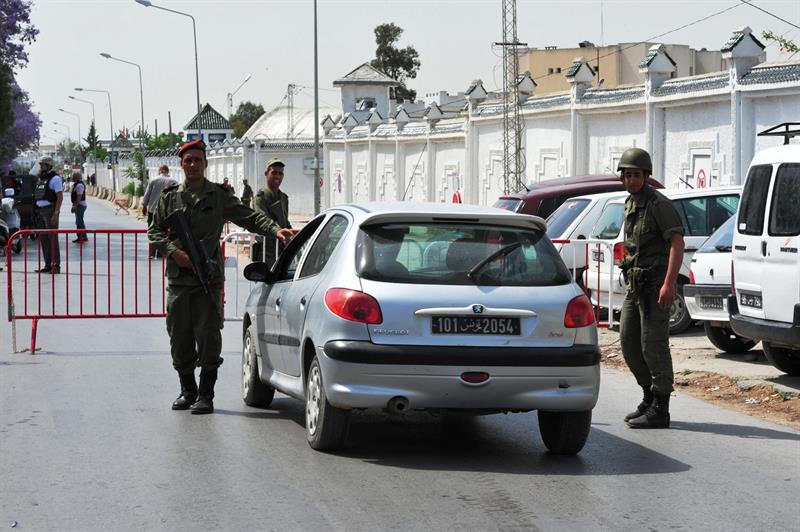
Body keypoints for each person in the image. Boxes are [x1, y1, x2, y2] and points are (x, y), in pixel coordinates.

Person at [148, 140, 295, 415]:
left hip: (208, 280)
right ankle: (187, 390)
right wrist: (173, 252)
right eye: (187, 160)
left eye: (197, 160)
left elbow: (249, 217)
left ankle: (206, 395)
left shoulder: (217, 196)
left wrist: (275, 230)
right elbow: (154, 231)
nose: (192, 165)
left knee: (209, 337)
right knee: (179, 337)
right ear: (181, 164)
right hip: (179, 281)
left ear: (205, 164)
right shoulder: (169, 198)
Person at [617, 148, 685, 429]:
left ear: (646, 176)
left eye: (636, 175)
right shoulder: (630, 204)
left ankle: (661, 408)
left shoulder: (658, 204)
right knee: (628, 342)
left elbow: (677, 243)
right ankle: (648, 397)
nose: (632, 180)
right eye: (628, 175)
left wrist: (669, 283)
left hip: (656, 285)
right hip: (636, 286)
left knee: (654, 346)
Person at [252, 158, 291, 266]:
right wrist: (278, 231)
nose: (277, 176)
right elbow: (263, 221)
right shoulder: (260, 198)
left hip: (282, 249)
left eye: (280, 173)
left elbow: (285, 221)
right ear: (266, 173)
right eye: (274, 173)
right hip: (266, 251)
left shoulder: (283, 198)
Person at [34, 156, 63, 274]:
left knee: (52, 238)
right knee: (43, 238)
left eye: (43, 164)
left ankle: (56, 266)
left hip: (50, 210)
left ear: (49, 165)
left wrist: (56, 213)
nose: (41, 167)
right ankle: (47, 264)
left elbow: (60, 197)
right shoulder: (41, 178)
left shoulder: (55, 178)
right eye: (40, 164)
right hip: (40, 211)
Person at [142, 165, 177, 258]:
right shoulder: (173, 182)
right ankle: (162, 253)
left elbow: (147, 195)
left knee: (152, 231)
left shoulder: (153, 181)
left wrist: (144, 207)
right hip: (167, 213)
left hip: (152, 211)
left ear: (160, 171)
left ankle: (153, 253)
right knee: (164, 232)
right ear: (167, 171)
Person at [70, 171, 88, 243]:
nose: (72, 177)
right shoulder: (76, 184)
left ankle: (83, 237)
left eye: (73, 176)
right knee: (78, 221)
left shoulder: (79, 185)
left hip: (80, 205)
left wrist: (75, 206)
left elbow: (79, 196)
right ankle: (80, 236)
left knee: (79, 221)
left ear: (77, 177)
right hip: (79, 205)